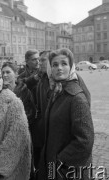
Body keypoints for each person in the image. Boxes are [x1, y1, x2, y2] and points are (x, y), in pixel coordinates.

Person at [37, 48, 94, 180]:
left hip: (68, 171)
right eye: (55, 65)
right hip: (53, 165)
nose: (59, 68)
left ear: (71, 67)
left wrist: (60, 161)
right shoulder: (56, 92)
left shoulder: (76, 98)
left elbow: (85, 141)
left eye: (64, 64)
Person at [1, 62, 36, 132]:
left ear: (16, 74)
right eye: (3, 73)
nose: (4, 75)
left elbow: (30, 113)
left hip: (20, 130)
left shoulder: (24, 91)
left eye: (8, 72)